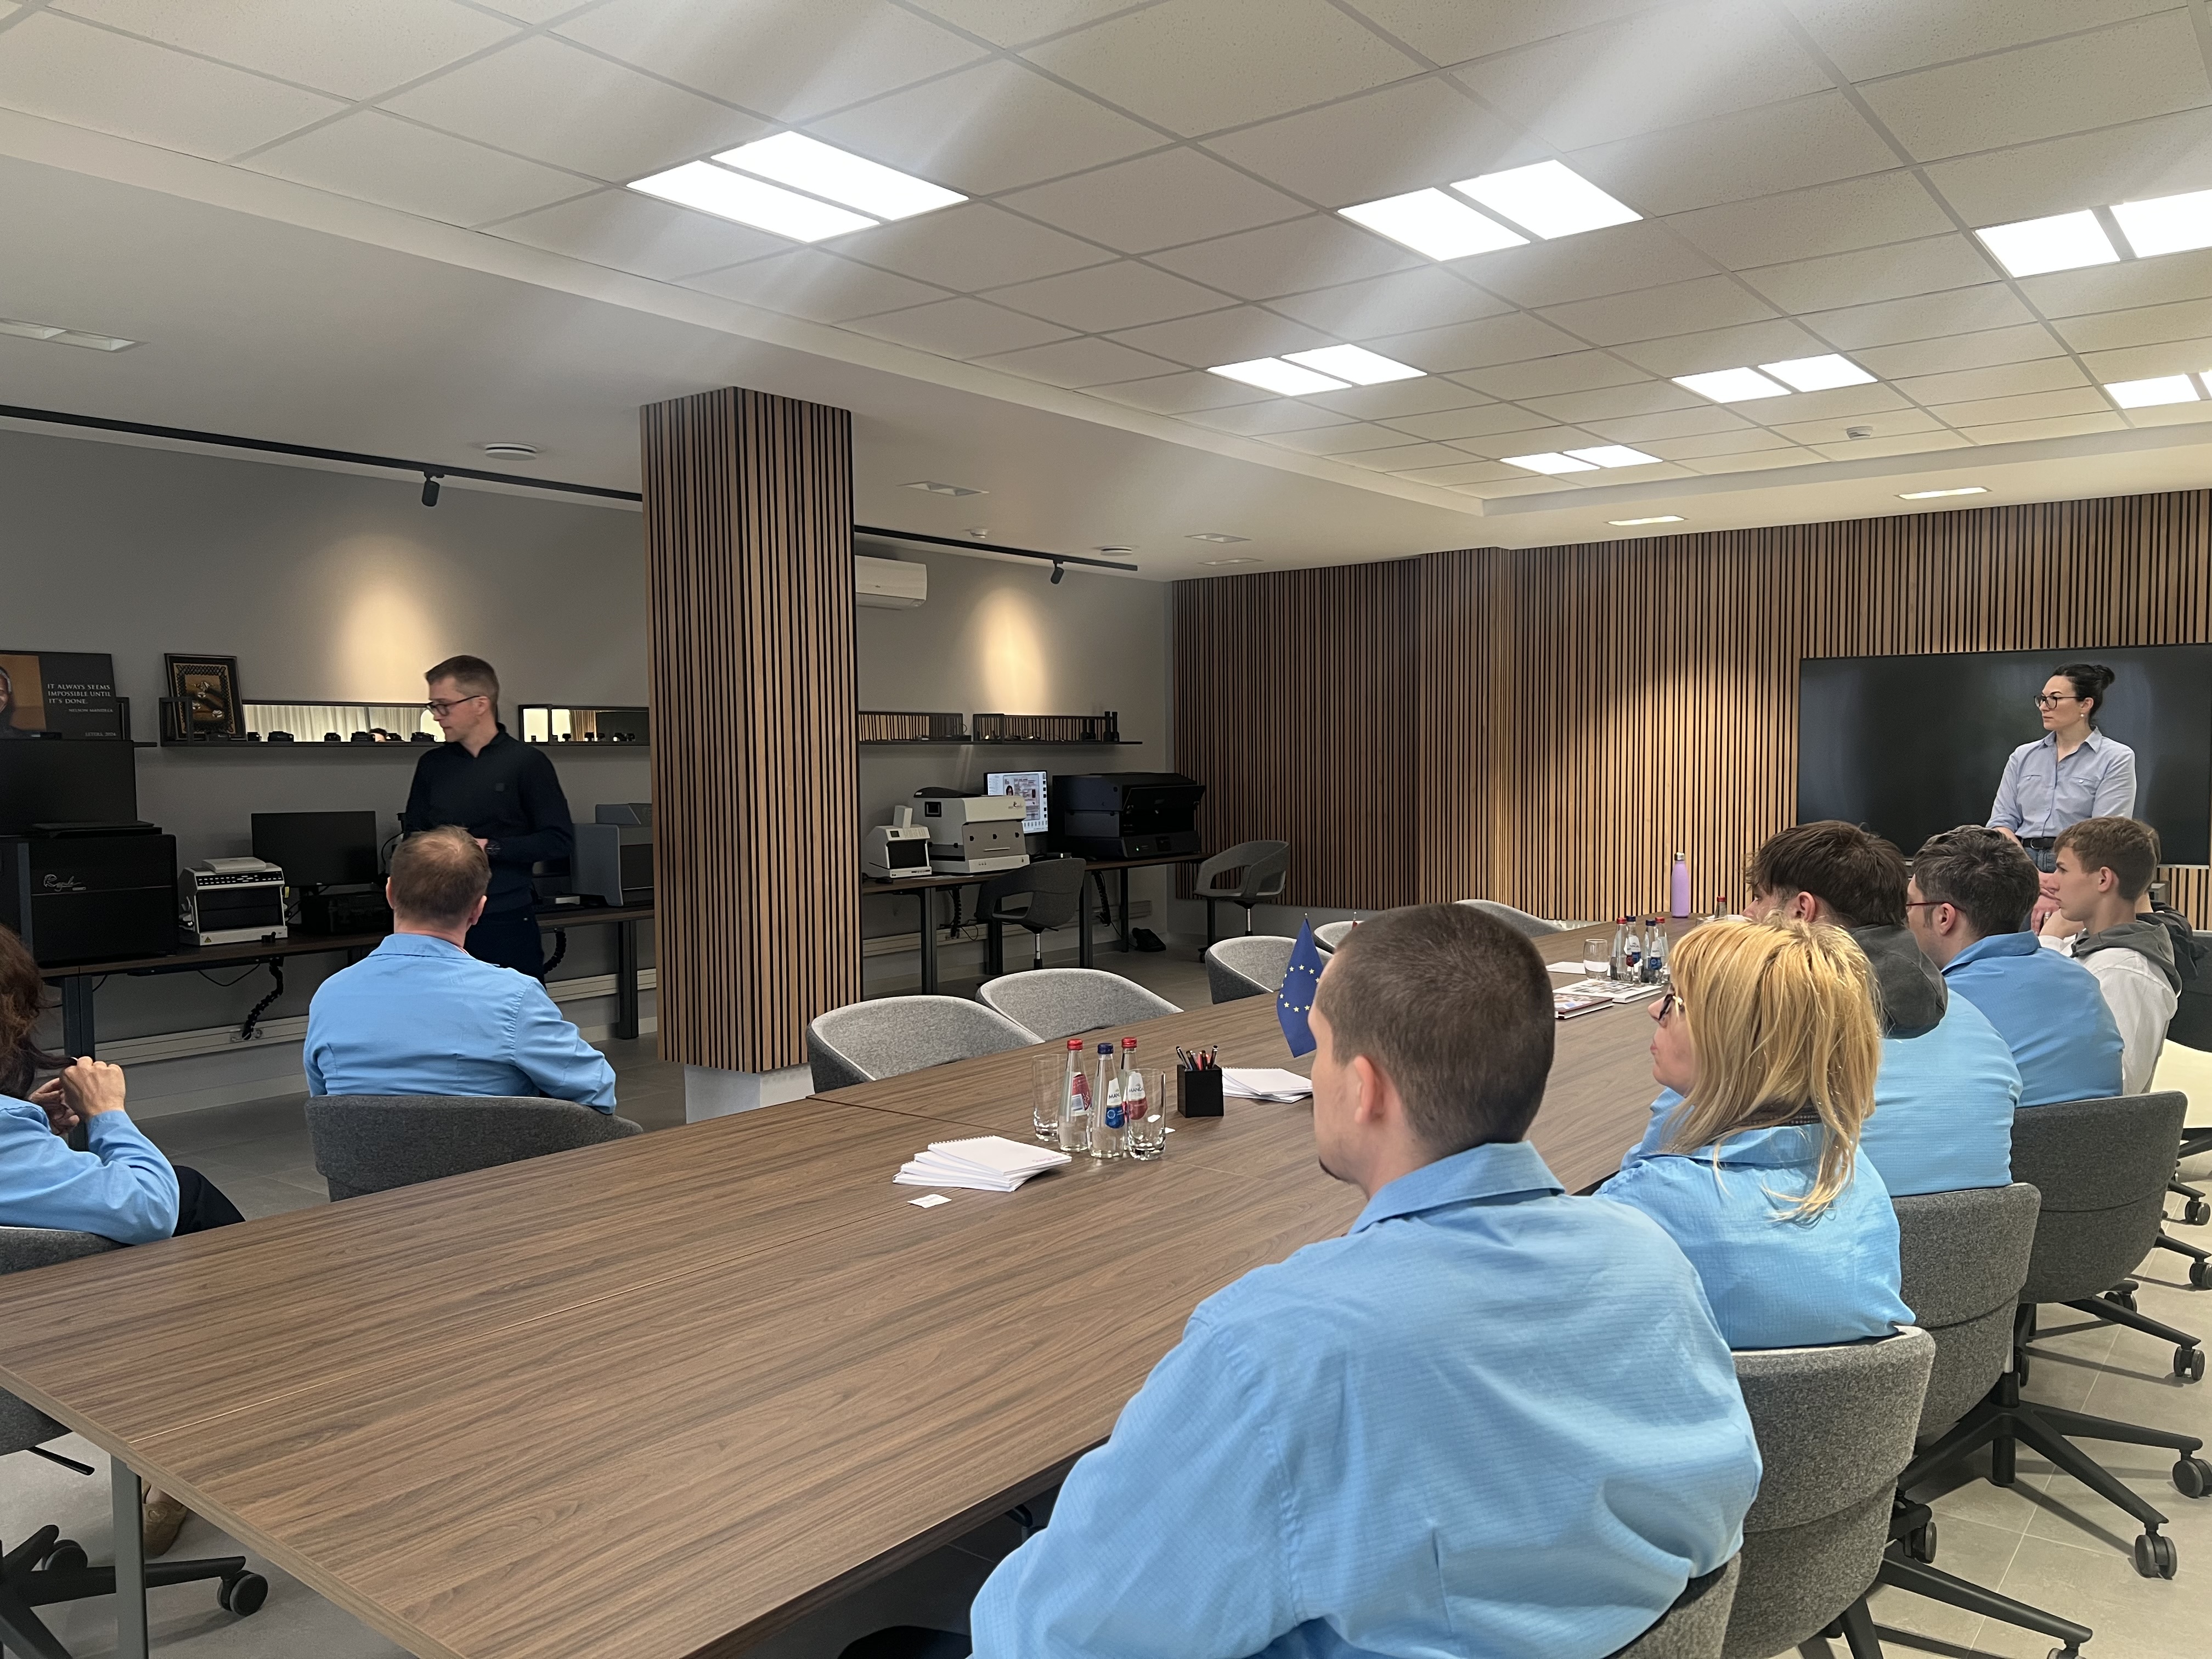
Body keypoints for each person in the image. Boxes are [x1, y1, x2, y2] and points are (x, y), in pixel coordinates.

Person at [848, 906, 1762, 1659]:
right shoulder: (1651, 1258)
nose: (1311, 1073)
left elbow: (1054, 1637)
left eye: (1317, 1049)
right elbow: (1720, 1514)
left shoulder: (1273, 1352)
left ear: (1364, 1088)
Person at [1, 923, 244, 1555]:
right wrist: (108, 1115)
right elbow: (148, 1210)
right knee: (185, 1197)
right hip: (34, 1368)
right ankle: (214, 1422)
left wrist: (29, 1127)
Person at [1624, 822, 2018, 1196]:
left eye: (1759, 898)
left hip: (1796, 1229)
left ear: (1802, 911)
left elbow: (1650, 1170)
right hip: (1968, 1242)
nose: (1748, 913)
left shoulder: (1761, 1039)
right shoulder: (1981, 1026)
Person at [1600, 918, 1914, 1350]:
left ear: (1732, 1042)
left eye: (1675, 1001)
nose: (1656, 1010)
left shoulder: (1641, 1206)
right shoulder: (1860, 1183)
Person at [304, 827, 617, 1109]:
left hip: (364, 1158)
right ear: (478, 909)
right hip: (492, 1157)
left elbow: (326, 1105)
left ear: (390, 893)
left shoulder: (330, 996)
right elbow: (597, 1091)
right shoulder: (514, 998)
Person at [1906, 827, 2123, 1107]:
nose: (1906, 917)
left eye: (1910, 904)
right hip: (2108, 1135)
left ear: (1944, 917)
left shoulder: (1940, 1007)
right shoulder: (2082, 981)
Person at [400, 654, 572, 977]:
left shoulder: (527, 763)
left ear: (480, 704)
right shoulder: (432, 766)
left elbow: (558, 840)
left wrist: (488, 847)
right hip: (439, 921)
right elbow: (413, 837)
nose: (436, 716)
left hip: (505, 916)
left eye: (444, 706)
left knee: (516, 1003)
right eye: (433, 706)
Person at [2040, 817, 2179, 1094]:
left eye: (2063, 870)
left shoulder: (2126, 973)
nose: (2052, 883)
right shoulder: (2079, 946)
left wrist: (2049, 938)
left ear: (2103, 879)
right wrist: (2052, 938)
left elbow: (2119, 1089)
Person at [1988, 663, 2135, 872]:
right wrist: (2029, 873)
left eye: (2054, 699)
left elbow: (2104, 835)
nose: (2044, 706)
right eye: (2043, 698)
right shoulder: (2023, 756)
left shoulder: (2116, 757)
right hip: (2019, 862)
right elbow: (2001, 822)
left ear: (2085, 704)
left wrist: (2062, 875)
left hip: (2081, 865)